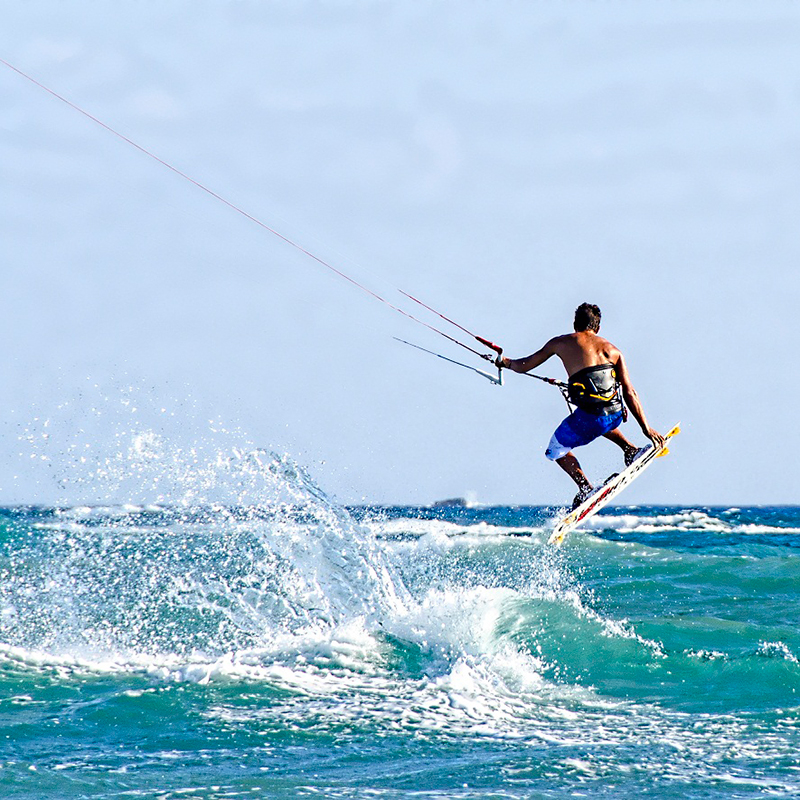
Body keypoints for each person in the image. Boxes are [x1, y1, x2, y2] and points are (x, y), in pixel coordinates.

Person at [498, 303, 665, 509]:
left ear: (574, 324)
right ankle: (631, 450)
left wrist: (504, 362)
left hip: (590, 418)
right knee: (600, 418)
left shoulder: (560, 343)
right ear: (598, 328)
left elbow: (523, 366)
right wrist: (646, 429)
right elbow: (630, 392)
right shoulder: (613, 350)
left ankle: (586, 489)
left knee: (555, 449)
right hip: (615, 414)